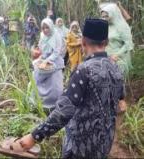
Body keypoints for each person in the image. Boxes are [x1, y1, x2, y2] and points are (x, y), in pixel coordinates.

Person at [13, 19, 125, 159]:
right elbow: (121, 103)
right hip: (105, 143)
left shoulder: (84, 70)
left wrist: (33, 137)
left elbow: (64, 112)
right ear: (106, 42)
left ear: (83, 41)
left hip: (81, 146)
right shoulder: (116, 68)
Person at [100, 3, 133, 113]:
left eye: (106, 16)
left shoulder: (122, 26)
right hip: (107, 57)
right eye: (103, 16)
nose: (104, 18)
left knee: (115, 79)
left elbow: (128, 45)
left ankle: (119, 102)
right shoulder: (105, 26)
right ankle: (109, 102)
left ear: (113, 14)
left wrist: (117, 55)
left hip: (119, 58)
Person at [32, 18, 65, 113]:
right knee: (36, 79)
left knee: (55, 86)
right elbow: (41, 47)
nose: (45, 30)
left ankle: (54, 106)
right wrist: (41, 58)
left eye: (47, 27)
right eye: (43, 28)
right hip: (44, 59)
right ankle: (40, 103)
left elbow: (57, 51)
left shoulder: (56, 36)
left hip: (54, 60)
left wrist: (47, 60)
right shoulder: (42, 35)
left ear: (51, 27)